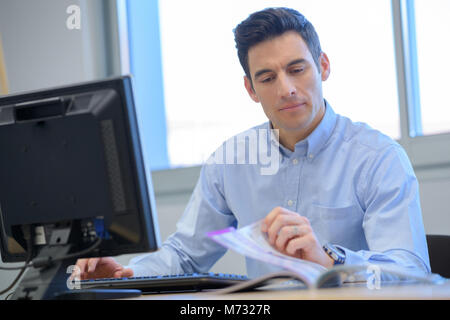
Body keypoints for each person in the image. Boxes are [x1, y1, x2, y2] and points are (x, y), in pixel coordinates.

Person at [75, 7, 430, 280]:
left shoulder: (379, 158)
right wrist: (126, 275)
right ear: (250, 89)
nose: (286, 89)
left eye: (297, 69)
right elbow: (185, 256)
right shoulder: (230, 162)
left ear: (323, 67)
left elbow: (411, 274)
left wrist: (330, 259)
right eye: (267, 77)